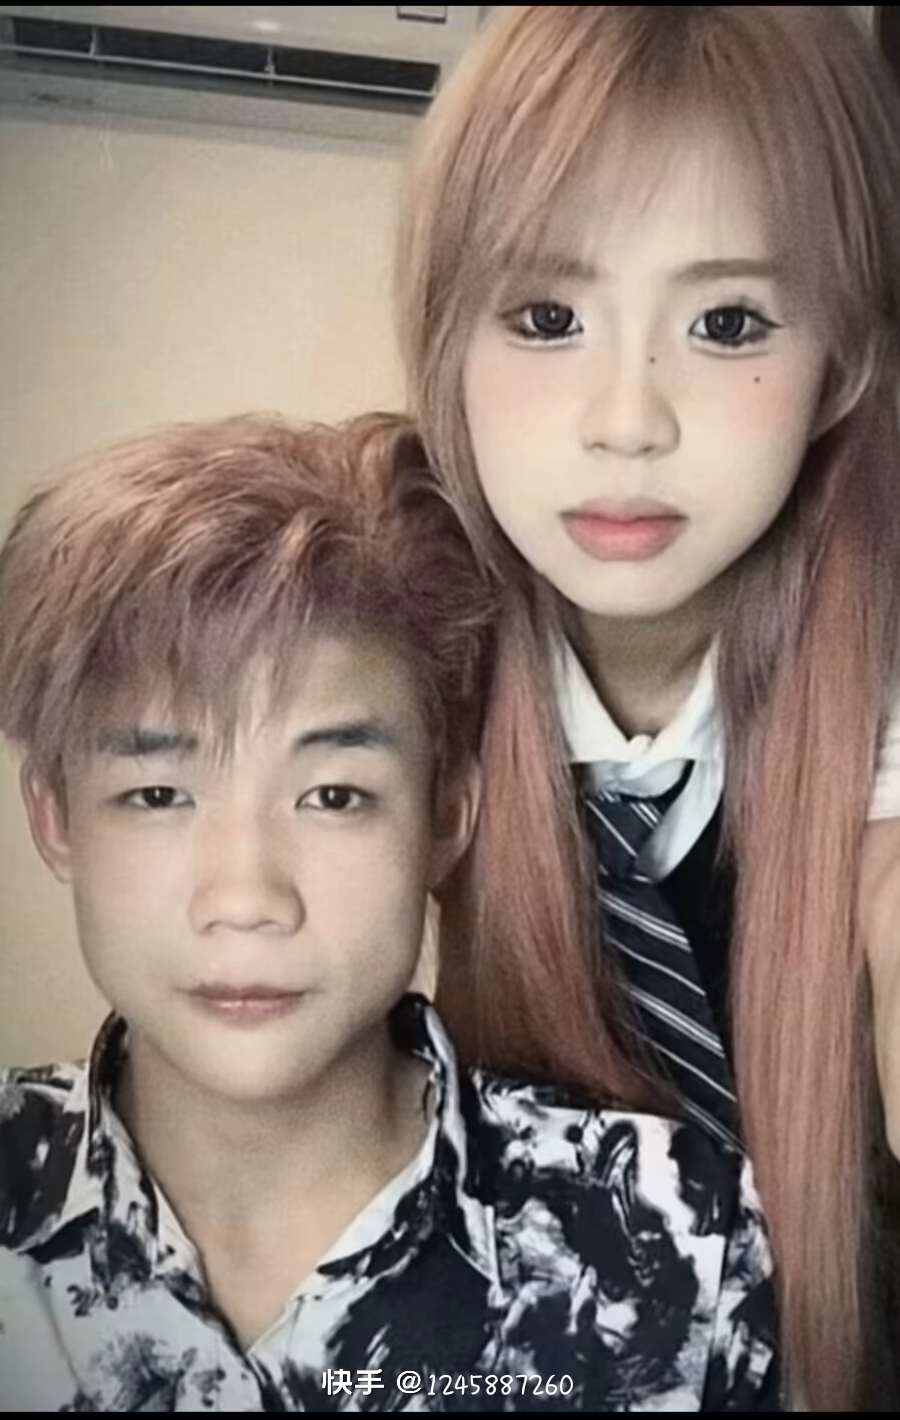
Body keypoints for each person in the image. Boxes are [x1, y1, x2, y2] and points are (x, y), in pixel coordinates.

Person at [0, 414, 775, 1410]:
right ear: (54, 816)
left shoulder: (683, 1241)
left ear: (446, 814)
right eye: (157, 795)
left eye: (334, 796)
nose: (246, 899)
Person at [395, 4, 900, 1410]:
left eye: (727, 323)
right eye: (547, 318)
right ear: (445, 338)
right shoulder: (382, 603)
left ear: (842, 364)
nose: (628, 419)